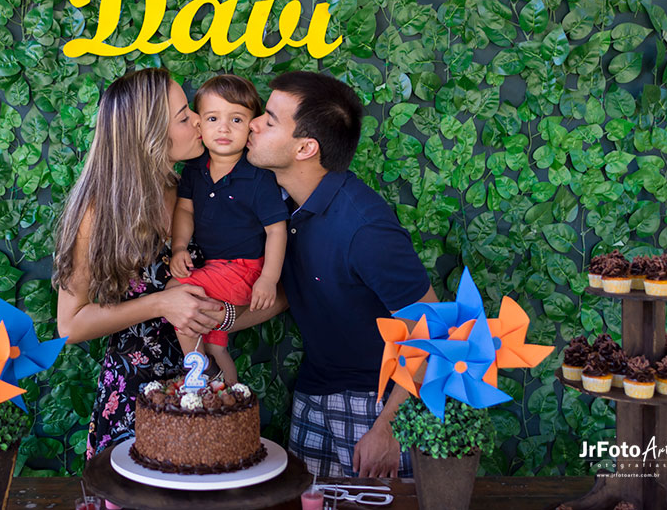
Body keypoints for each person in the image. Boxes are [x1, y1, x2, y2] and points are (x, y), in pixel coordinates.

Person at [52, 68, 286, 459]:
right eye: (183, 117)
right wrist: (162, 303)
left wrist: (224, 316)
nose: (197, 120)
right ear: (148, 135)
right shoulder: (98, 213)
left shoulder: (196, 193)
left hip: (207, 396)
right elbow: (70, 325)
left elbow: (278, 293)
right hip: (133, 402)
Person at [245, 71, 437, 479]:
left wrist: (388, 427)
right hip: (312, 394)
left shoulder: (365, 228)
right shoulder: (281, 204)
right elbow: (294, 292)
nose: (253, 124)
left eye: (270, 120)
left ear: (306, 147)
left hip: (376, 404)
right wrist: (213, 320)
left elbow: (431, 330)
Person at [168, 75, 288, 385]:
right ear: (199, 124)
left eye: (236, 119)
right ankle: (231, 397)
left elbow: (276, 230)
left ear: (252, 126)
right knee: (216, 346)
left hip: (244, 269)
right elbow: (185, 210)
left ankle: (195, 374)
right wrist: (179, 247)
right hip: (213, 269)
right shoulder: (195, 168)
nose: (224, 128)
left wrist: (268, 279)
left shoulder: (257, 176)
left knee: (178, 292)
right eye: (212, 119)